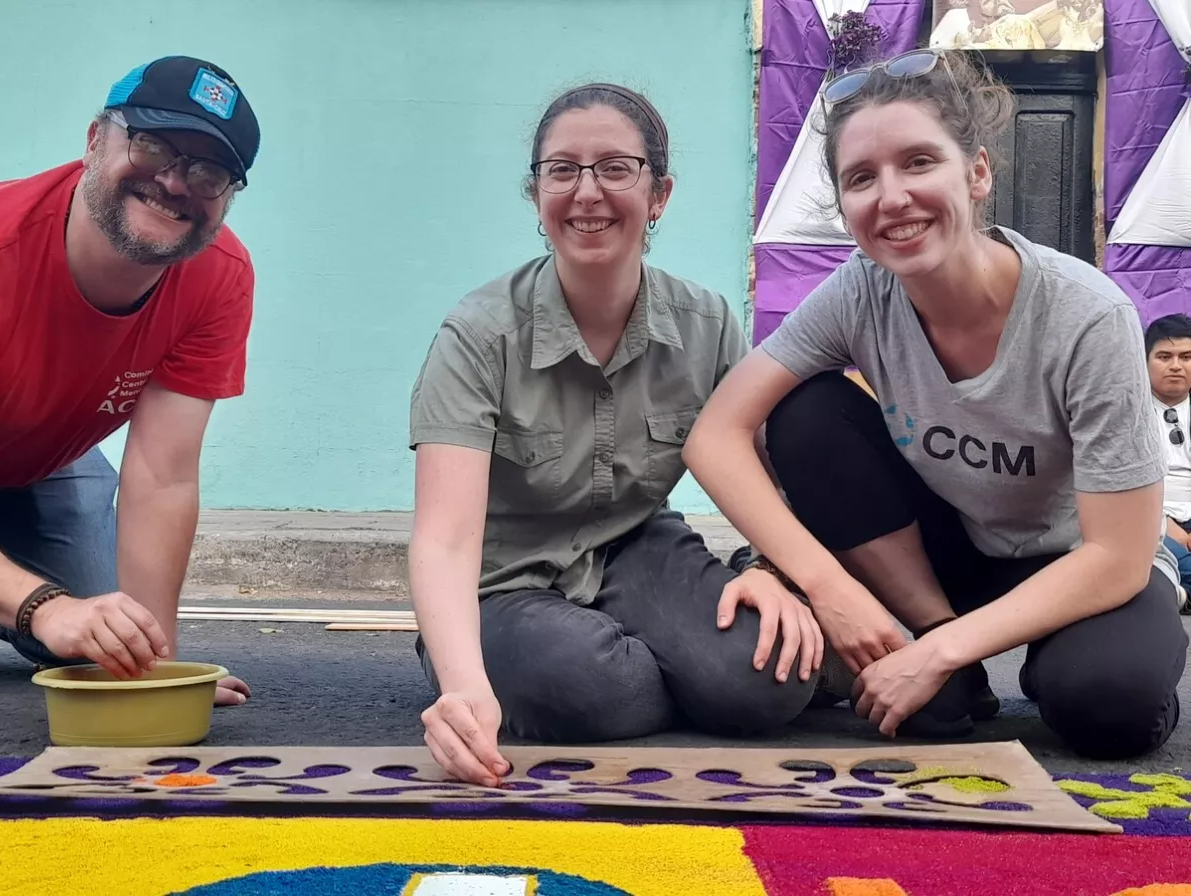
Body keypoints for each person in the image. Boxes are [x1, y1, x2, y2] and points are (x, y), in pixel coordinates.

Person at [682, 49, 1188, 760]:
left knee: (1108, 702)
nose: (891, 198)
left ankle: (1009, 655)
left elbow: (1118, 555)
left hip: (1083, 564)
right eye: (862, 178)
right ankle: (952, 661)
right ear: (845, 207)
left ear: (977, 172)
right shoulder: (861, 291)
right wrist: (833, 591)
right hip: (950, 559)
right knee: (807, 409)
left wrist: (933, 653)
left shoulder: (1087, 314)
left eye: (919, 162)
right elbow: (716, 436)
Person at [408, 83, 837, 787]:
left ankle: (690, 662)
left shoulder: (704, 324)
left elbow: (760, 470)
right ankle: (641, 668)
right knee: (591, 688)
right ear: (536, 194)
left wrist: (766, 571)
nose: (587, 193)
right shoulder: (479, 335)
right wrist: (463, 686)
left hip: (639, 549)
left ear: (659, 193)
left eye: (615, 168)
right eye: (562, 170)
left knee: (765, 681)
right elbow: (445, 540)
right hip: (501, 584)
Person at [0, 56, 260, 706]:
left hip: (40, 460)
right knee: (53, 613)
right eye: (152, 146)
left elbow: (162, 476)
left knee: (97, 633)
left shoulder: (219, 277)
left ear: (226, 196)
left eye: (209, 171)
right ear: (94, 141)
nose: (175, 182)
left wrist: (151, 666)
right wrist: (39, 606)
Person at [1145, 313, 1191, 612]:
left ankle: (1174, 594)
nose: (1176, 366)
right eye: (1164, 356)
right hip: (1148, 518)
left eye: (1186, 357)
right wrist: (1163, 522)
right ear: (1145, 361)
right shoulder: (1123, 410)